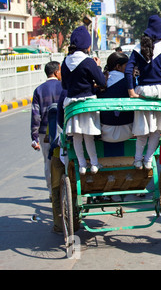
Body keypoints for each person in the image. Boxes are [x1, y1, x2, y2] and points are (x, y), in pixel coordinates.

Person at [124, 14, 161, 170]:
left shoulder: (138, 49)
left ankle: (138, 160)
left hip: (143, 92)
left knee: (142, 130)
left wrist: (131, 91)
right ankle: (148, 159)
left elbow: (128, 71)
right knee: (157, 130)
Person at [61, 26, 106, 175]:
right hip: (88, 103)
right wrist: (98, 67)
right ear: (87, 45)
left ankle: (81, 165)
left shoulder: (65, 62)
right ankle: (94, 163)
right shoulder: (88, 62)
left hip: (72, 104)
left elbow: (64, 85)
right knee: (89, 136)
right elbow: (101, 82)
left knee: (77, 136)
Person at [30, 61, 63, 197]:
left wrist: (34, 137)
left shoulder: (39, 90)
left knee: (48, 163)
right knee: (65, 160)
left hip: (45, 134)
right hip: (62, 131)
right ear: (56, 72)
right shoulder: (64, 87)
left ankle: (52, 192)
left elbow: (35, 116)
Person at [97, 51, 134, 142]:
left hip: (104, 131)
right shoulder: (129, 82)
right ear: (118, 66)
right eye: (127, 66)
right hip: (128, 131)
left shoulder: (101, 82)